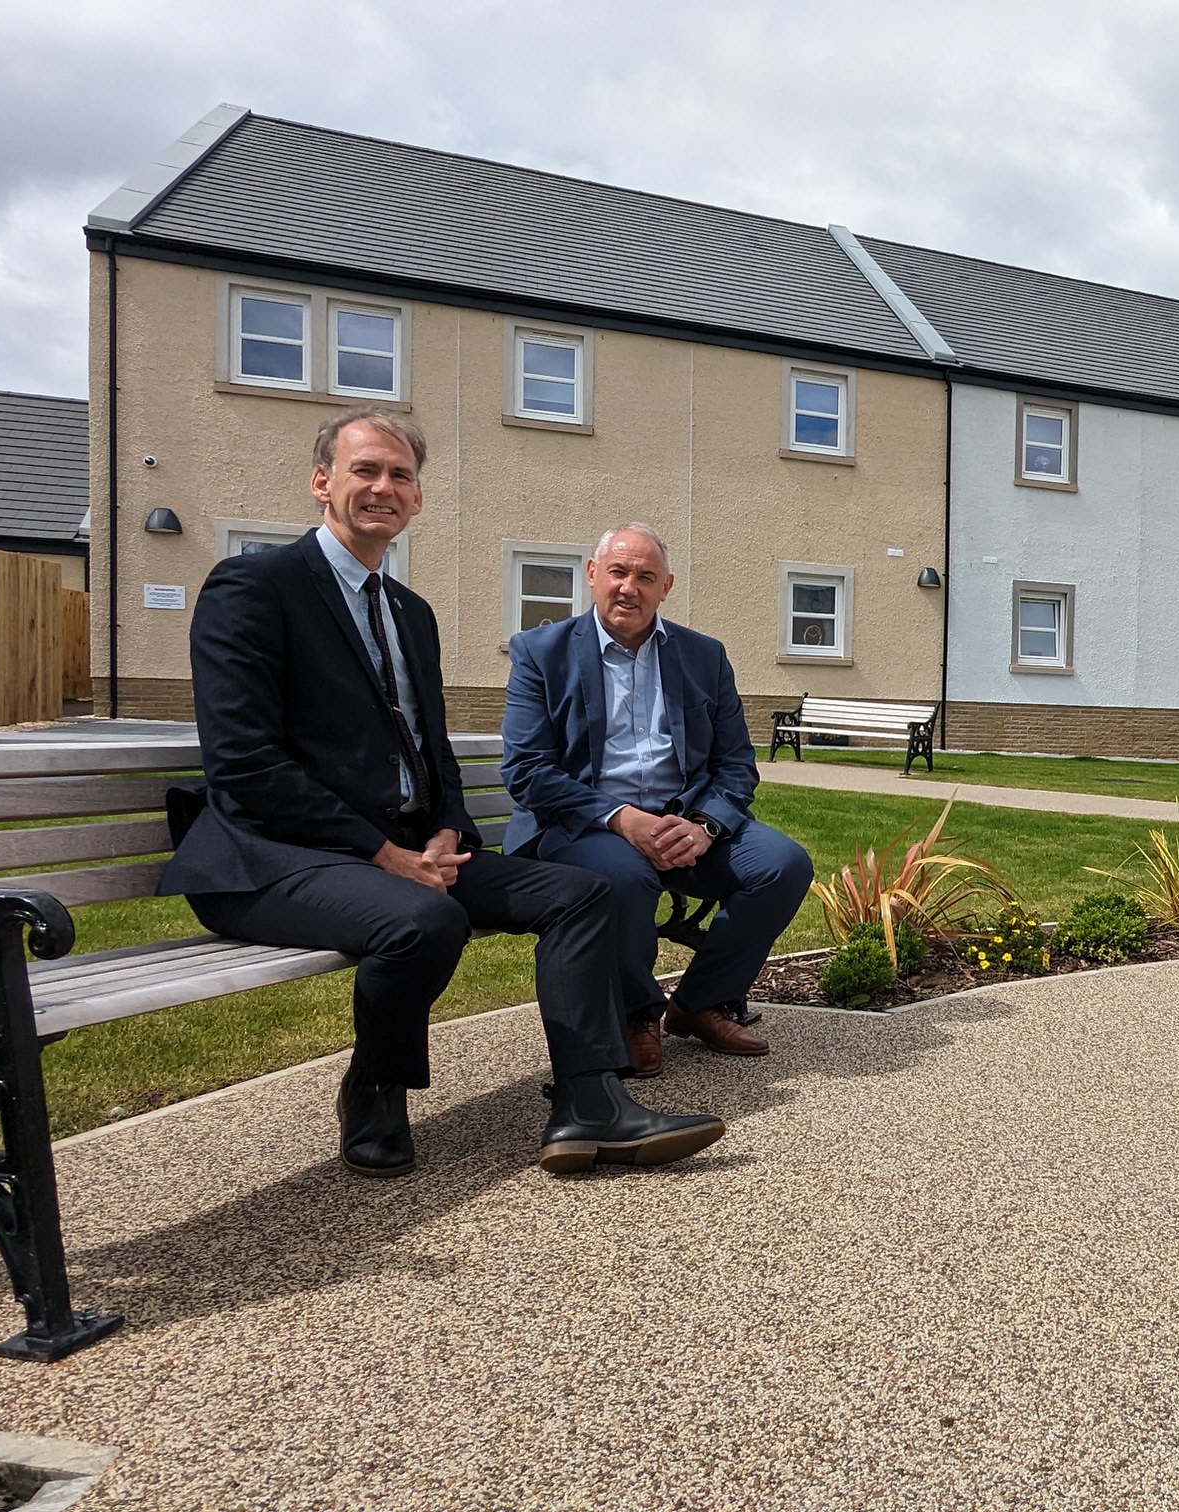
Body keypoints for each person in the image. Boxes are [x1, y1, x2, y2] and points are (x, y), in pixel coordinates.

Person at [161, 408, 726, 1178]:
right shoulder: (256, 586)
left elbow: (431, 755)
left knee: (584, 893)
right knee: (426, 920)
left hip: (399, 852)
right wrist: (382, 853)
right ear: (322, 482)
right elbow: (244, 764)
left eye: (400, 475)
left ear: (418, 498)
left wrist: (447, 830)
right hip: (271, 857)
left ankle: (590, 1102)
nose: (383, 488)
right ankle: (375, 1090)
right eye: (365, 470)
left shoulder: (408, 613)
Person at [500, 523, 813, 1076]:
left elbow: (736, 765)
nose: (629, 588)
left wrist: (705, 826)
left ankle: (698, 1003)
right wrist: (623, 821)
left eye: (645, 577)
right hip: (583, 825)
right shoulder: (540, 653)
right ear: (593, 575)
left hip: (684, 821)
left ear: (666, 586)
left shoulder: (703, 656)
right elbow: (528, 772)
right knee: (624, 876)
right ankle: (636, 1014)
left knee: (782, 865)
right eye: (618, 572)